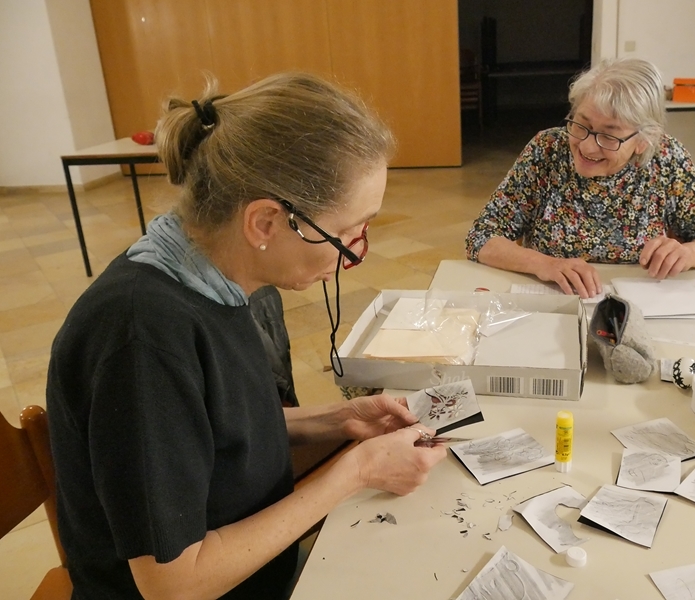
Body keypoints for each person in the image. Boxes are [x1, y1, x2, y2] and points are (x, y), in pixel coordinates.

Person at [46, 73, 447, 600]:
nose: (354, 253)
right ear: (264, 223)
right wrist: (355, 472)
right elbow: (174, 585)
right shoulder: (142, 342)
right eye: (346, 233)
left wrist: (336, 419)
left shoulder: (227, 279)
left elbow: (211, 429)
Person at [465, 58, 695, 299]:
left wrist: (689, 253)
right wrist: (544, 264)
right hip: (554, 301)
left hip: (638, 308)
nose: (587, 147)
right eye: (581, 125)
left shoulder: (666, 159)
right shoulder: (547, 150)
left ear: (643, 141)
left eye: (609, 136)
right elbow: (481, 236)